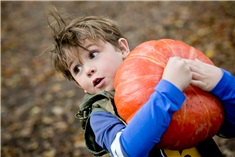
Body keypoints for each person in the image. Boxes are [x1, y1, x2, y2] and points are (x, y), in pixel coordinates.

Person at [47, 10, 235, 157]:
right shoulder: (100, 115)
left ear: (122, 48)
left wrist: (222, 83)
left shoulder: (163, 74)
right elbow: (126, 151)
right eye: (76, 69)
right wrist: (169, 91)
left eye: (93, 54)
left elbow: (228, 127)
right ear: (79, 85)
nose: (88, 69)